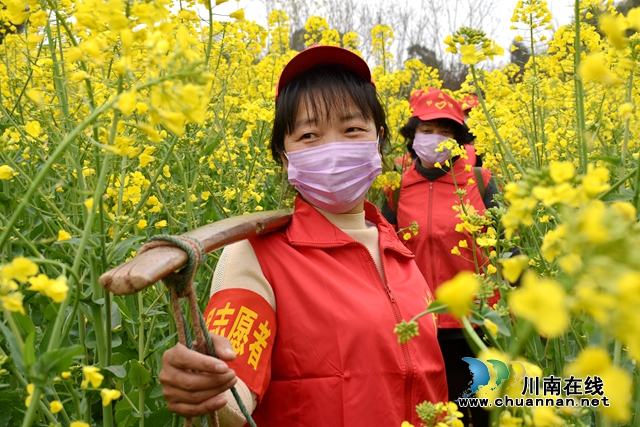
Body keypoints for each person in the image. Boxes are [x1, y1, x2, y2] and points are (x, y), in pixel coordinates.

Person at [159, 45, 448, 427]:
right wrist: (207, 385)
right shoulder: (256, 256)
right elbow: (233, 381)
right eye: (310, 135)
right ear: (283, 154)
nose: (334, 149)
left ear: (377, 139)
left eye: (352, 130)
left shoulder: (397, 250)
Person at [381, 88, 500, 427]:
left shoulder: (481, 181)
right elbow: (384, 252)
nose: (435, 139)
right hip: (418, 324)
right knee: (428, 412)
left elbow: (509, 247)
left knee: (479, 415)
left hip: (476, 324)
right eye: (427, 130)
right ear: (413, 134)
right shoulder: (397, 189)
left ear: (459, 139)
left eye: (446, 132)